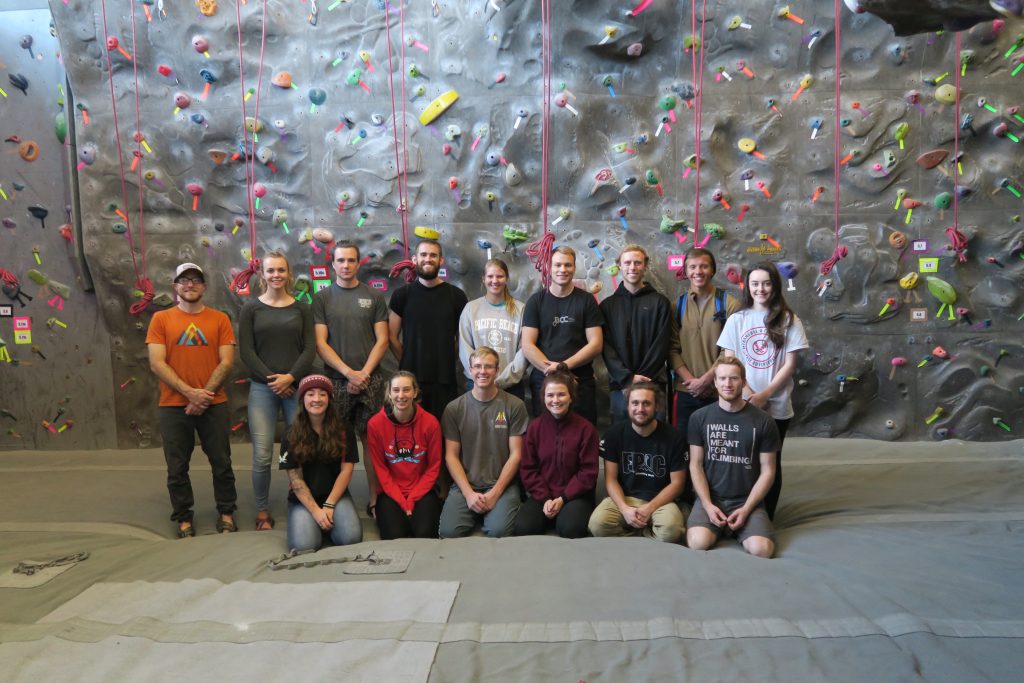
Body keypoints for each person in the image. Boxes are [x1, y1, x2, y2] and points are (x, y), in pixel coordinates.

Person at [146, 262, 237, 538]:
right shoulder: (160, 320)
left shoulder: (220, 319)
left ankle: (226, 511)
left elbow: (227, 362)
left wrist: (203, 396)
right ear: (175, 286)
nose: (190, 285)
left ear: (204, 286)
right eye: (184, 280)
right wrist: (190, 393)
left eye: (195, 280)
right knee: (177, 467)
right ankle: (183, 518)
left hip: (214, 403)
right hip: (173, 406)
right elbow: (156, 363)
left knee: (221, 462)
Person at [717, 262, 808, 520]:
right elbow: (729, 361)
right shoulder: (737, 319)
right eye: (755, 283)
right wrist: (748, 393)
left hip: (775, 406)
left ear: (775, 286)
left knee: (770, 464)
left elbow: (790, 364)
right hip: (741, 404)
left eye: (766, 283)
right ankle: (737, 512)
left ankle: (765, 516)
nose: (760, 289)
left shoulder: (790, 320)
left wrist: (765, 395)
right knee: (741, 462)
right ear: (747, 287)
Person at [238, 251, 315, 531]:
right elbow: (246, 351)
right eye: (270, 271)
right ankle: (262, 510)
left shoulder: (302, 308)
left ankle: (300, 499)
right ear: (263, 275)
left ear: (289, 274)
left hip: (295, 389)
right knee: (262, 454)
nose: (276, 275)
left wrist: (291, 377)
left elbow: (310, 348)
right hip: (263, 390)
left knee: (297, 450)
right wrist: (274, 380)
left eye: (281, 270)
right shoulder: (251, 309)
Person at [314, 242, 389, 517]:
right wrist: (348, 373)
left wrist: (364, 374)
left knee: (372, 442)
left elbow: (382, 340)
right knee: (334, 441)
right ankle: (335, 499)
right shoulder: (322, 299)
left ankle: (375, 497)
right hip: (336, 382)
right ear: (332, 264)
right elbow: (321, 343)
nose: (346, 265)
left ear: (359, 264)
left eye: (351, 260)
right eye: (341, 260)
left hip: (372, 381)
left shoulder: (374, 297)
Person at [687, 358, 780, 558]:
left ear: (744, 382)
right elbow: (695, 465)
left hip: (747, 500)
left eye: (733, 378)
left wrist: (747, 509)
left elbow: (768, 470)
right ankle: (718, 525)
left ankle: (738, 526)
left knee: (762, 550)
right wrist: (707, 505)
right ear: (715, 382)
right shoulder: (699, 418)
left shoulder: (764, 421)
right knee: (698, 543)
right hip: (712, 499)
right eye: (722, 378)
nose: (727, 384)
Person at [439, 347, 528, 538]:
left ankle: (492, 509)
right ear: (470, 370)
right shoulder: (454, 409)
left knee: (499, 531)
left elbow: (516, 455)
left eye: (488, 367)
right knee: (449, 532)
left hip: (501, 485)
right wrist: (469, 494)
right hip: (466, 485)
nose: (483, 371)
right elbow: (451, 456)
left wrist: (495, 494)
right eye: (477, 366)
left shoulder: (514, 405)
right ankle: (476, 507)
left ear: (497, 370)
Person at [588, 382, 687, 542]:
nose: (640, 409)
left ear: (657, 407)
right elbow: (611, 480)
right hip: (625, 498)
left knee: (671, 531)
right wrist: (624, 509)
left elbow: (677, 484)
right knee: (597, 525)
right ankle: (645, 533)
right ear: (627, 406)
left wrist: (650, 508)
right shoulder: (614, 434)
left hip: (661, 501)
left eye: (646, 403)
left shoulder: (674, 438)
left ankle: (638, 530)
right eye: (635, 403)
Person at [279, 374, 363, 551]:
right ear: (303, 399)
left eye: (322, 394)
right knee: (304, 545)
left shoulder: (344, 428)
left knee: (350, 537)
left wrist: (330, 504)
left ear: (329, 399)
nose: (316, 399)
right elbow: (296, 481)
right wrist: (316, 512)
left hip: (335, 495)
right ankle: (316, 522)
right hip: (304, 499)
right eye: (310, 394)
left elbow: (346, 470)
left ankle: (329, 521)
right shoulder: (290, 433)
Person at [522, 247, 604, 423]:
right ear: (548, 267)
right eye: (557, 265)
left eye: (568, 265)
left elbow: (596, 343)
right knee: (545, 439)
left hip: (580, 381)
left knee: (583, 436)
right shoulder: (535, 302)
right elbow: (527, 345)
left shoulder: (587, 301)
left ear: (574, 268)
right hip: (545, 382)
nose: (562, 269)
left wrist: (563, 366)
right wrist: (551, 371)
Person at [389, 239, 469, 421]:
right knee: (411, 431)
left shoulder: (456, 296)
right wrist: (407, 360)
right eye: (424, 255)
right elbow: (391, 337)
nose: (428, 259)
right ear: (415, 259)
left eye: (433, 255)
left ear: (441, 260)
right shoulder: (402, 295)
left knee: (442, 432)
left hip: (445, 379)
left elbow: (462, 338)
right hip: (411, 381)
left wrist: (448, 357)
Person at [514, 371, 599, 538]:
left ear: (571, 397)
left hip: (575, 496)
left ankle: (563, 516)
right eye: (550, 395)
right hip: (542, 495)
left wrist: (563, 499)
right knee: (524, 527)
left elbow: (588, 473)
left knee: (571, 529)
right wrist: (545, 498)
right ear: (543, 398)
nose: (555, 400)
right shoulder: (535, 428)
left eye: (561, 394)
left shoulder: (586, 429)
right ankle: (551, 513)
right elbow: (528, 469)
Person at [668, 248, 740, 433]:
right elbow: (672, 348)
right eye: (692, 267)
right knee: (683, 448)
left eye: (704, 266)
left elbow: (731, 349)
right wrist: (692, 382)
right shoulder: (677, 306)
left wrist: (707, 380)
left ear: (713, 270)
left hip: (720, 390)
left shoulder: (729, 304)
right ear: (685, 271)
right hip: (685, 390)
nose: (698, 271)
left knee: (717, 448)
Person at [600, 244, 673, 423]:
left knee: (657, 438)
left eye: (637, 263)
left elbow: (661, 344)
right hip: (620, 386)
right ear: (619, 266)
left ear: (645, 266)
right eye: (627, 263)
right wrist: (627, 378)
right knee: (622, 439)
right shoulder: (607, 306)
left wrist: (641, 380)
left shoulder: (660, 303)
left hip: (653, 383)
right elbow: (606, 347)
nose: (632, 267)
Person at [366, 371, 443, 539]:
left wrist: (412, 499)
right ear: (389, 393)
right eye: (396, 390)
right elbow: (380, 470)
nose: (401, 395)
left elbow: (433, 467)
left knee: (424, 534)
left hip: (422, 489)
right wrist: (403, 502)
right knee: (395, 535)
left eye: (407, 390)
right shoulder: (375, 424)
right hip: (390, 491)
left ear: (415, 393)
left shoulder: (431, 423)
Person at [458, 258, 528, 399]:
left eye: (500, 276)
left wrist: (502, 380)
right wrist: (480, 376)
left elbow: (524, 350)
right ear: (483, 279)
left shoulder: (521, 310)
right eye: (490, 276)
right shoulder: (471, 309)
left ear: (507, 278)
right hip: (477, 384)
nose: (495, 281)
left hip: (511, 386)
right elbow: (465, 348)